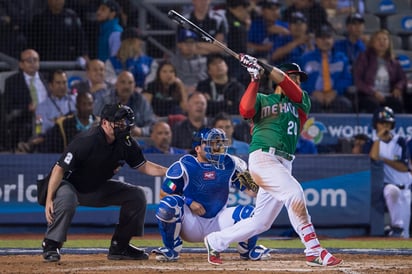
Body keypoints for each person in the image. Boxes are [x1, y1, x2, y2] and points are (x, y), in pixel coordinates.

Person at [203, 55, 343, 267]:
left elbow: (287, 84)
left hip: (284, 162)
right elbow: (245, 110)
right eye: (293, 76)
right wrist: (254, 78)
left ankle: (215, 240)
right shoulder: (263, 99)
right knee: (294, 193)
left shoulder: (301, 101)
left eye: (298, 78)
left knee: (262, 221)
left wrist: (262, 63)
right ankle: (313, 249)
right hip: (263, 157)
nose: (297, 81)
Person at [39, 103, 167, 262]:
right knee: (68, 199)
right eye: (118, 122)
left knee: (136, 195)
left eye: (125, 122)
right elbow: (59, 169)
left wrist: (168, 171)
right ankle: (51, 244)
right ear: (105, 123)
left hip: (94, 187)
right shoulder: (87, 140)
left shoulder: (126, 143)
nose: (123, 125)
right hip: (69, 185)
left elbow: (144, 166)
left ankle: (120, 247)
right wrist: (50, 198)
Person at [152, 127, 269, 262]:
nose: (216, 146)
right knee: (168, 205)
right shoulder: (184, 165)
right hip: (191, 223)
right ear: (197, 148)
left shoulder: (230, 163)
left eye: (218, 142)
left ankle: (248, 250)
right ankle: (171, 249)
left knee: (251, 213)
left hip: (218, 222)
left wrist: (260, 178)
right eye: (211, 143)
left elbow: (252, 192)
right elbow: (164, 193)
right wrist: (189, 202)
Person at [369, 106, 411, 238]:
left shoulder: (400, 141)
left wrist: (384, 160)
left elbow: (404, 167)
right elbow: (374, 157)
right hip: (388, 185)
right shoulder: (373, 142)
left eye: (387, 123)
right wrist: (378, 139)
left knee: (405, 234)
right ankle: (396, 226)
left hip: (405, 189)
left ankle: (398, 231)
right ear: (376, 124)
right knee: (391, 190)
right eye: (382, 123)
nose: (385, 126)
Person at [299, 24, 353, 113]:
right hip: (312, 95)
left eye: (328, 38)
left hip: (335, 95)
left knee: (345, 104)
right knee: (309, 103)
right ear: (316, 40)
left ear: (333, 40)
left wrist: (335, 92)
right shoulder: (306, 58)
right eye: (322, 38)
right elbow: (300, 80)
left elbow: (347, 79)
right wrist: (313, 92)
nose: (325, 41)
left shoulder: (342, 58)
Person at [2, 49, 49, 151]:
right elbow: (8, 108)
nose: (33, 63)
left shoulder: (47, 79)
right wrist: (27, 108)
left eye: (35, 60)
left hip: (48, 121)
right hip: (26, 122)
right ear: (21, 64)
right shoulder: (12, 82)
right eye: (29, 60)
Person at [353, 29, 406, 113]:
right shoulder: (364, 58)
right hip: (368, 95)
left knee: (397, 104)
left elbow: (402, 79)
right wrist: (373, 92)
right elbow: (358, 80)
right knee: (373, 105)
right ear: (372, 42)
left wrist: (398, 88)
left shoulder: (394, 61)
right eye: (378, 39)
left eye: (385, 39)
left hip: (388, 95)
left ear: (389, 43)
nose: (382, 42)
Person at [94, 71, 156, 137]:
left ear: (134, 85)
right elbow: (94, 120)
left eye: (130, 83)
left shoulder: (140, 100)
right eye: (123, 82)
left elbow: (152, 124)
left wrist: (141, 131)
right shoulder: (105, 99)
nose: (126, 86)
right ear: (116, 84)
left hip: (136, 140)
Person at [105, 27, 156, 91]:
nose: (141, 43)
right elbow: (110, 80)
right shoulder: (111, 62)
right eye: (139, 40)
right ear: (129, 42)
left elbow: (152, 81)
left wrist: (140, 90)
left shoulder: (150, 62)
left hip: (144, 95)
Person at [36, 70, 76, 134]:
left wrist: (55, 121)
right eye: (58, 83)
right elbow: (39, 130)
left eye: (64, 82)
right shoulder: (41, 107)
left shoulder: (76, 101)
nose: (62, 86)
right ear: (50, 85)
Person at [170, 29, 208, 94]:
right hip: (179, 92)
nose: (189, 46)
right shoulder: (172, 62)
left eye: (192, 42)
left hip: (201, 92)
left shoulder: (205, 61)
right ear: (179, 45)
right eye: (186, 42)